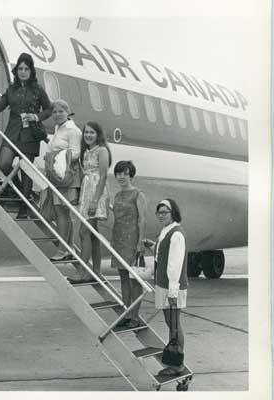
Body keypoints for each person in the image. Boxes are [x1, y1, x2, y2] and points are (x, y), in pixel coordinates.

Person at [0, 52, 52, 219]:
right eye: (20, 68)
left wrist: (36, 116)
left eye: (26, 68)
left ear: (31, 71)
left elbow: (49, 110)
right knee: (4, 163)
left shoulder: (38, 90)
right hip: (12, 133)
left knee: (26, 172)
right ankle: (21, 194)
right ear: (16, 70)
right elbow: (1, 105)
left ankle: (24, 207)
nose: (23, 71)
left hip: (30, 135)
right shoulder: (12, 89)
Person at [146, 198, 188, 376]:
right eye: (159, 213)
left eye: (165, 212)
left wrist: (172, 292)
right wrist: (154, 247)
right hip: (163, 283)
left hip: (172, 286)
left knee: (174, 324)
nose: (161, 215)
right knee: (171, 323)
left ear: (173, 213)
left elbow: (175, 265)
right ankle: (175, 362)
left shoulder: (176, 234)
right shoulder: (166, 230)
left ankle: (177, 364)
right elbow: (164, 254)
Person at [68, 122, 112, 284]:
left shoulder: (102, 151)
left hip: (96, 193)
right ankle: (96, 271)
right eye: (86, 132)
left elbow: (103, 176)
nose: (88, 135)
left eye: (92, 132)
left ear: (98, 134)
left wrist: (94, 201)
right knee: (92, 234)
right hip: (87, 191)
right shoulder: (86, 151)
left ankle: (82, 271)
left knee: (84, 232)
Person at [110, 161, 147, 329]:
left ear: (131, 175)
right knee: (123, 278)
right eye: (118, 174)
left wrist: (140, 242)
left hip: (132, 238)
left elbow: (142, 220)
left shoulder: (138, 194)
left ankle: (135, 316)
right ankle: (126, 313)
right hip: (118, 238)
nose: (121, 177)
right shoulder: (117, 196)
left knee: (134, 280)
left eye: (125, 173)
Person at [47, 99, 82, 261]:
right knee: (61, 213)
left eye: (61, 111)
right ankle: (67, 247)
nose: (57, 114)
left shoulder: (73, 130)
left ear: (68, 112)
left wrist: (58, 156)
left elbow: (76, 153)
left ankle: (64, 249)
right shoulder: (58, 128)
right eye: (54, 112)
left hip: (67, 175)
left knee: (64, 213)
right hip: (57, 174)